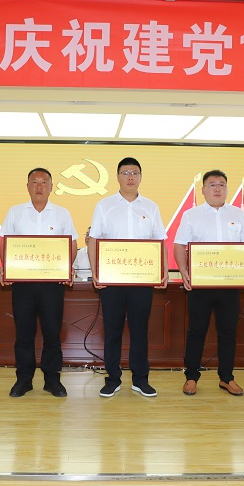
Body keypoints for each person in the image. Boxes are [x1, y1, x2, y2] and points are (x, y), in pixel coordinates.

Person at [88, 157, 168, 398]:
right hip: (112, 280)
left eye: (134, 173)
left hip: (142, 281)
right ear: (118, 177)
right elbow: (94, 240)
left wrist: (163, 270)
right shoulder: (104, 205)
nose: (130, 177)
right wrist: (95, 272)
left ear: (141, 177)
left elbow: (159, 241)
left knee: (139, 330)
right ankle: (112, 379)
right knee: (112, 331)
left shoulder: (151, 207)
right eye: (125, 173)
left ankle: (140, 379)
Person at [0, 168, 78, 398]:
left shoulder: (62, 213)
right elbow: (5, 243)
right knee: (24, 333)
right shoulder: (15, 212)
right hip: (22, 284)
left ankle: (52, 380)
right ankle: (24, 380)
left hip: (52, 285)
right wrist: (5, 267)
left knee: (52, 333)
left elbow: (72, 244)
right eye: (34, 182)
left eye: (44, 182)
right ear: (27, 186)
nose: (39, 186)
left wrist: (67, 266)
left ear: (51, 187)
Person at [174, 170, 244, 397]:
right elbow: (179, 245)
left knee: (228, 332)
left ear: (227, 189)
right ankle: (191, 377)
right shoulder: (191, 215)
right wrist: (183, 271)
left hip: (230, 285)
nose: (217, 188)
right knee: (196, 331)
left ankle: (226, 378)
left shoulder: (238, 214)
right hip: (200, 286)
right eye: (212, 184)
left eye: (221, 184)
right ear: (203, 190)